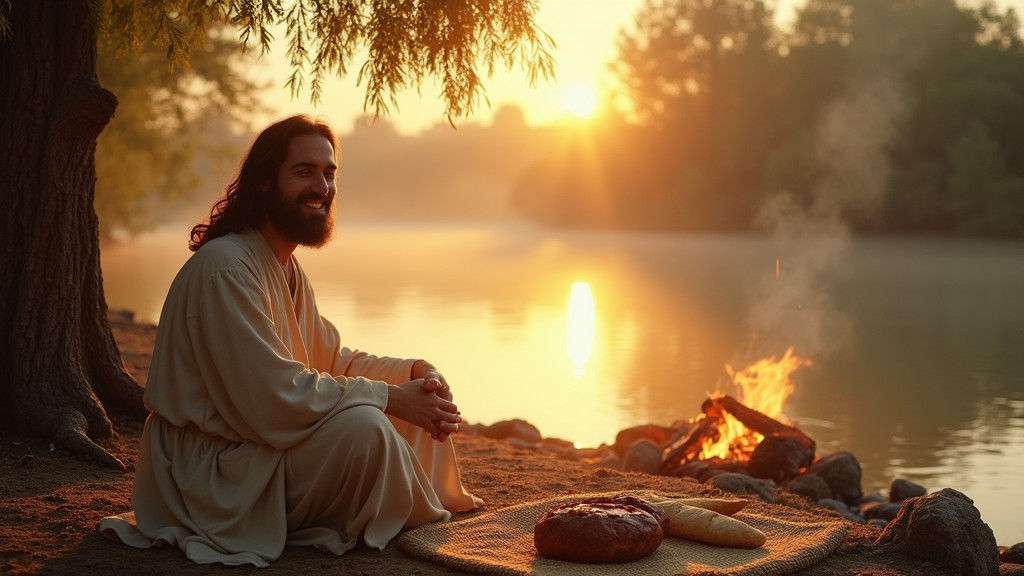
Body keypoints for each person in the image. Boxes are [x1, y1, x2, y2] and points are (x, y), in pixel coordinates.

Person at [99, 115, 482, 567]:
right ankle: (401, 512)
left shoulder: (284, 267)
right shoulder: (225, 268)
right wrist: (390, 399)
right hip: (215, 472)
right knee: (367, 428)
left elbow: (330, 361)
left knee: (408, 408)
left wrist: (413, 375)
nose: (322, 186)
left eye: (329, 172)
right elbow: (271, 396)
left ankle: (408, 503)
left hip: (259, 447)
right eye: (305, 172)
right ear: (264, 182)